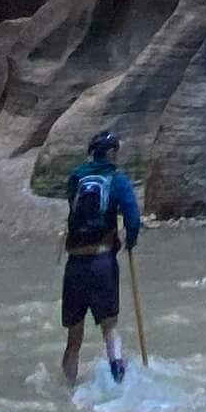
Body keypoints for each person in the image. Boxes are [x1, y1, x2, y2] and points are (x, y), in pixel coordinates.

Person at [60, 129, 143, 390]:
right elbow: (133, 218)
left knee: (74, 338)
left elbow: (72, 207)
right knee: (110, 329)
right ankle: (119, 386)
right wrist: (130, 241)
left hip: (74, 264)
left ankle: (68, 392)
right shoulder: (117, 180)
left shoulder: (77, 176)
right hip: (102, 262)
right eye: (117, 151)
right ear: (110, 153)